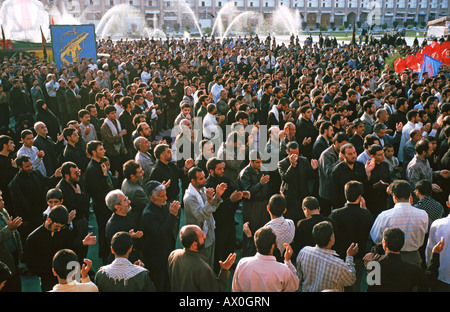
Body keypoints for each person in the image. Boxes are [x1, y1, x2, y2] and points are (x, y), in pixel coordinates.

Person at [23, 205, 96, 291]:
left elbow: (71, 246)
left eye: (61, 227)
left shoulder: (63, 230)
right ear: (49, 220)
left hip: (69, 276)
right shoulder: (33, 239)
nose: (59, 230)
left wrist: (82, 243)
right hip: (49, 280)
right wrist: (53, 271)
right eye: (57, 226)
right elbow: (31, 265)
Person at [370, 180, 428, 268]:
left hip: (390, 259)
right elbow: (424, 232)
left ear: (394, 195)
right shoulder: (423, 214)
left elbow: (376, 238)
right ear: (409, 195)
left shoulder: (384, 216)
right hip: (414, 259)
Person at [205, 157, 249, 274]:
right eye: (219, 169)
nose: (222, 171)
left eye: (222, 168)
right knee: (219, 245)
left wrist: (240, 194)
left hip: (229, 218)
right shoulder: (209, 185)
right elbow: (215, 207)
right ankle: (217, 267)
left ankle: (228, 263)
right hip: (218, 221)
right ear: (211, 171)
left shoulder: (224, 179)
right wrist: (230, 199)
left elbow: (233, 191)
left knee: (230, 242)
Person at [366, 227, 443, 292]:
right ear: (402, 243)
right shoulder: (412, 269)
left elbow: (371, 289)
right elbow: (429, 280)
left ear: (385, 243)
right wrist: (435, 254)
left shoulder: (375, 266)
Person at [329, 181, 374, 292]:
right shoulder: (367, 214)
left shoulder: (335, 214)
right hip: (358, 257)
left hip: (339, 257)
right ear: (360, 197)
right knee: (355, 284)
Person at [168, 224, 236, 292]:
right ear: (194, 244)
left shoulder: (174, 254)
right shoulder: (203, 268)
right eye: (201, 236)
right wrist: (224, 270)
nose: (204, 236)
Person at [296, 221, 359, 292]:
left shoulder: (304, 251)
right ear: (331, 238)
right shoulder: (338, 265)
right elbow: (351, 280)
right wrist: (349, 257)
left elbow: (299, 276)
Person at [232, 227, 299, 292]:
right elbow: (294, 286)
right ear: (273, 246)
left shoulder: (242, 263)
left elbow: (235, 289)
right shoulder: (283, 270)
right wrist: (287, 261)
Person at [141, 180, 180, 292]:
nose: (166, 198)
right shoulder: (148, 214)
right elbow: (161, 233)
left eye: (165, 195)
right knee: (159, 283)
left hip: (165, 250)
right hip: (156, 256)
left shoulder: (161, 205)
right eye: (162, 196)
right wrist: (172, 215)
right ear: (153, 198)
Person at [183, 166, 226, 269]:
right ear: (193, 181)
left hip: (209, 234)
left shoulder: (202, 190)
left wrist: (217, 196)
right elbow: (201, 216)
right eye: (201, 178)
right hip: (199, 238)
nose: (205, 180)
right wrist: (210, 201)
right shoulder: (190, 198)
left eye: (204, 177)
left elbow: (212, 208)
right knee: (202, 268)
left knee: (209, 266)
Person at [85, 140, 114, 264]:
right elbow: (95, 190)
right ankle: (104, 256)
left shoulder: (99, 164)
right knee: (103, 230)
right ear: (94, 152)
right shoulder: (92, 168)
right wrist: (103, 175)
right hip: (101, 205)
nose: (104, 151)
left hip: (105, 203)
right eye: (101, 149)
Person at [237, 150, 271, 253]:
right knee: (250, 229)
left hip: (263, 204)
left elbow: (268, 187)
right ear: (250, 161)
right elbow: (248, 193)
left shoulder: (263, 170)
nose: (260, 164)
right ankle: (248, 251)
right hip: (251, 205)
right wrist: (260, 184)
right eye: (257, 162)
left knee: (262, 228)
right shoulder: (245, 174)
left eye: (261, 162)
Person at [278, 141, 319, 224]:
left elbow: (309, 175)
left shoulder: (304, 160)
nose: (295, 156)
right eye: (292, 154)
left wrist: (314, 169)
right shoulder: (282, 163)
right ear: (287, 152)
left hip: (302, 196)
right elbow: (285, 178)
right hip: (290, 199)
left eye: (297, 153)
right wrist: (292, 166)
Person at [291, 196, 335, 263]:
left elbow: (298, 245)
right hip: (328, 259)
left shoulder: (302, 224)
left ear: (306, 209)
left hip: (308, 260)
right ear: (319, 209)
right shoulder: (331, 221)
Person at [104, 189, 143, 264]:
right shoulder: (112, 226)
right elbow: (118, 249)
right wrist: (130, 236)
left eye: (127, 198)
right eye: (125, 200)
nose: (129, 202)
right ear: (117, 207)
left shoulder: (129, 214)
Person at [317, 132, 349, 215]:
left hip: (338, 193)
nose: (345, 148)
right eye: (343, 145)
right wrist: (339, 162)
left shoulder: (343, 152)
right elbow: (328, 173)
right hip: (327, 194)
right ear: (336, 143)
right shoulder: (326, 155)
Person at [331, 143, 369, 209]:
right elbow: (334, 193)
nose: (353, 156)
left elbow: (365, 185)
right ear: (343, 155)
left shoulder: (360, 166)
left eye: (354, 153)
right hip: (344, 206)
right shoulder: (337, 170)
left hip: (360, 205)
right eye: (350, 154)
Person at [426, 196, 450, 291]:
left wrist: (430, 269)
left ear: (448, 204)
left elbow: (430, 251)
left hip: (441, 275)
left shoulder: (437, 224)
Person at [0, 191, 23, 292]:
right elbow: (10, 229)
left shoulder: (3, 211)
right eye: (0, 200)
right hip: (3, 262)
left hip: (13, 256)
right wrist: (8, 228)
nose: (3, 202)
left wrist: (20, 249)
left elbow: (15, 232)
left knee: (17, 285)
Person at [263, 194, 295, 261]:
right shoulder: (291, 223)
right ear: (284, 210)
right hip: (287, 259)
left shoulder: (265, 230)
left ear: (268, 208)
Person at [121, 160, 149, 224]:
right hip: (139, 220)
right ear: (132, 176)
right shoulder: (136, 191)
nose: (143, 172)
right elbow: (148, 204)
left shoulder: (126, 181)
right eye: (140, 172)